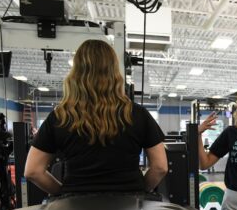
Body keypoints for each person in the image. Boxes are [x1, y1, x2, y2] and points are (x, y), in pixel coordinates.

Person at [25, 39, 167, 195]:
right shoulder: (138, 114)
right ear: (113, 70)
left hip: (76, 208)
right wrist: (141, 190)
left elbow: (33, 171)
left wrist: (63, 192)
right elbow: (160, 167)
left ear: (76, 71)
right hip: (129, 206)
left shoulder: (60, 116)